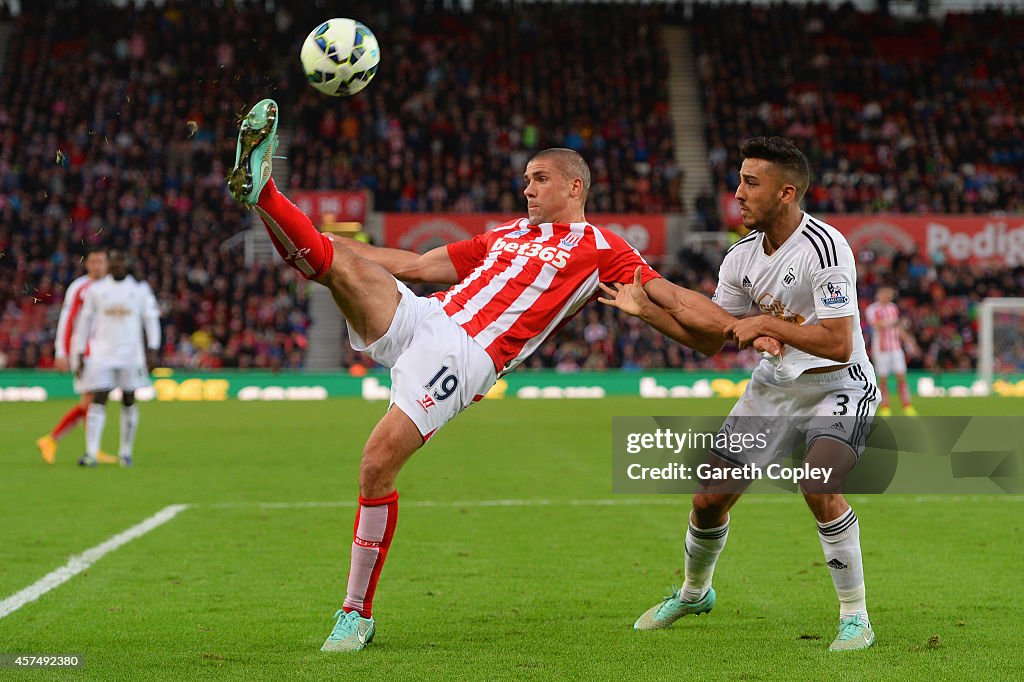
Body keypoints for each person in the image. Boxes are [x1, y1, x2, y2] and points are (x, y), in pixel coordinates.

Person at [225, 99, 779, 653]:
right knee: (326, 263)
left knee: (375, 463)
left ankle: (354, 613)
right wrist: (329, 244)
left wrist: (741, 327)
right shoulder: (507, 234)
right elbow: (416, 266)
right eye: (525, 181)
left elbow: (676, 298)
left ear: (575, 188)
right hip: (426, 315)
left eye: (540, 179)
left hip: (465, 355)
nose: (529, 190)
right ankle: (265, 194)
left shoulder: (602, 249)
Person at [600, 137, 879, 651]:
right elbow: (712, 338)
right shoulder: (739, 258)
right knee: (708, 500)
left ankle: (855, 616)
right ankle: (694, 592)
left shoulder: (825, 246)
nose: (738, 193)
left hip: (837, 386)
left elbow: (839, 343)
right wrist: (649, 314)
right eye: (740, 180)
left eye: (752, 182)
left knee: (818, 486)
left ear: (786, 192)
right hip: (772, 390)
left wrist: (763, 322)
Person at [72, 250, 161, 468]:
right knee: (98, 398)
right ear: (110, 265)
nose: (118, 265)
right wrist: (80, 351)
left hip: (132, 354)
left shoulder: (139, 290)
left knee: (128, 399)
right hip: (103, 353)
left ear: (128, 265)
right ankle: (91, 452)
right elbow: (84, 321)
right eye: (115, 262)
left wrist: (153, 348)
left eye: (122, 261)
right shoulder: (96, 290)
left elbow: (150, 320)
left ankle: (126, 452)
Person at [35, 247, 117, 465]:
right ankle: (57, 440)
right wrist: (61, 351)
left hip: (107, 351)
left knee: (94, 402)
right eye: (93, 261)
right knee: (92, 400)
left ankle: (86, 447)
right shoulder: (79, 287)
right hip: (85, 352)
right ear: (87, 264)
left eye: (101, 261)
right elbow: (67, 320)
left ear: (108, 264)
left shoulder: (114, 286)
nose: (97, 265)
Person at [865, 285, 918, 416]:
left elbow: (898, 328)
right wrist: (891, 322)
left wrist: (909, 340)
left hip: (895, 348)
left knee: (901, 377)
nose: (887, 296)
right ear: (879, 294)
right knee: (883, 379)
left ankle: (907, 405)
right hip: (881, 349)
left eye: (889, 293)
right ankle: (885, 406)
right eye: (885, 293)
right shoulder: (872, 309)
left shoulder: (893, 308)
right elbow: (875, 324)